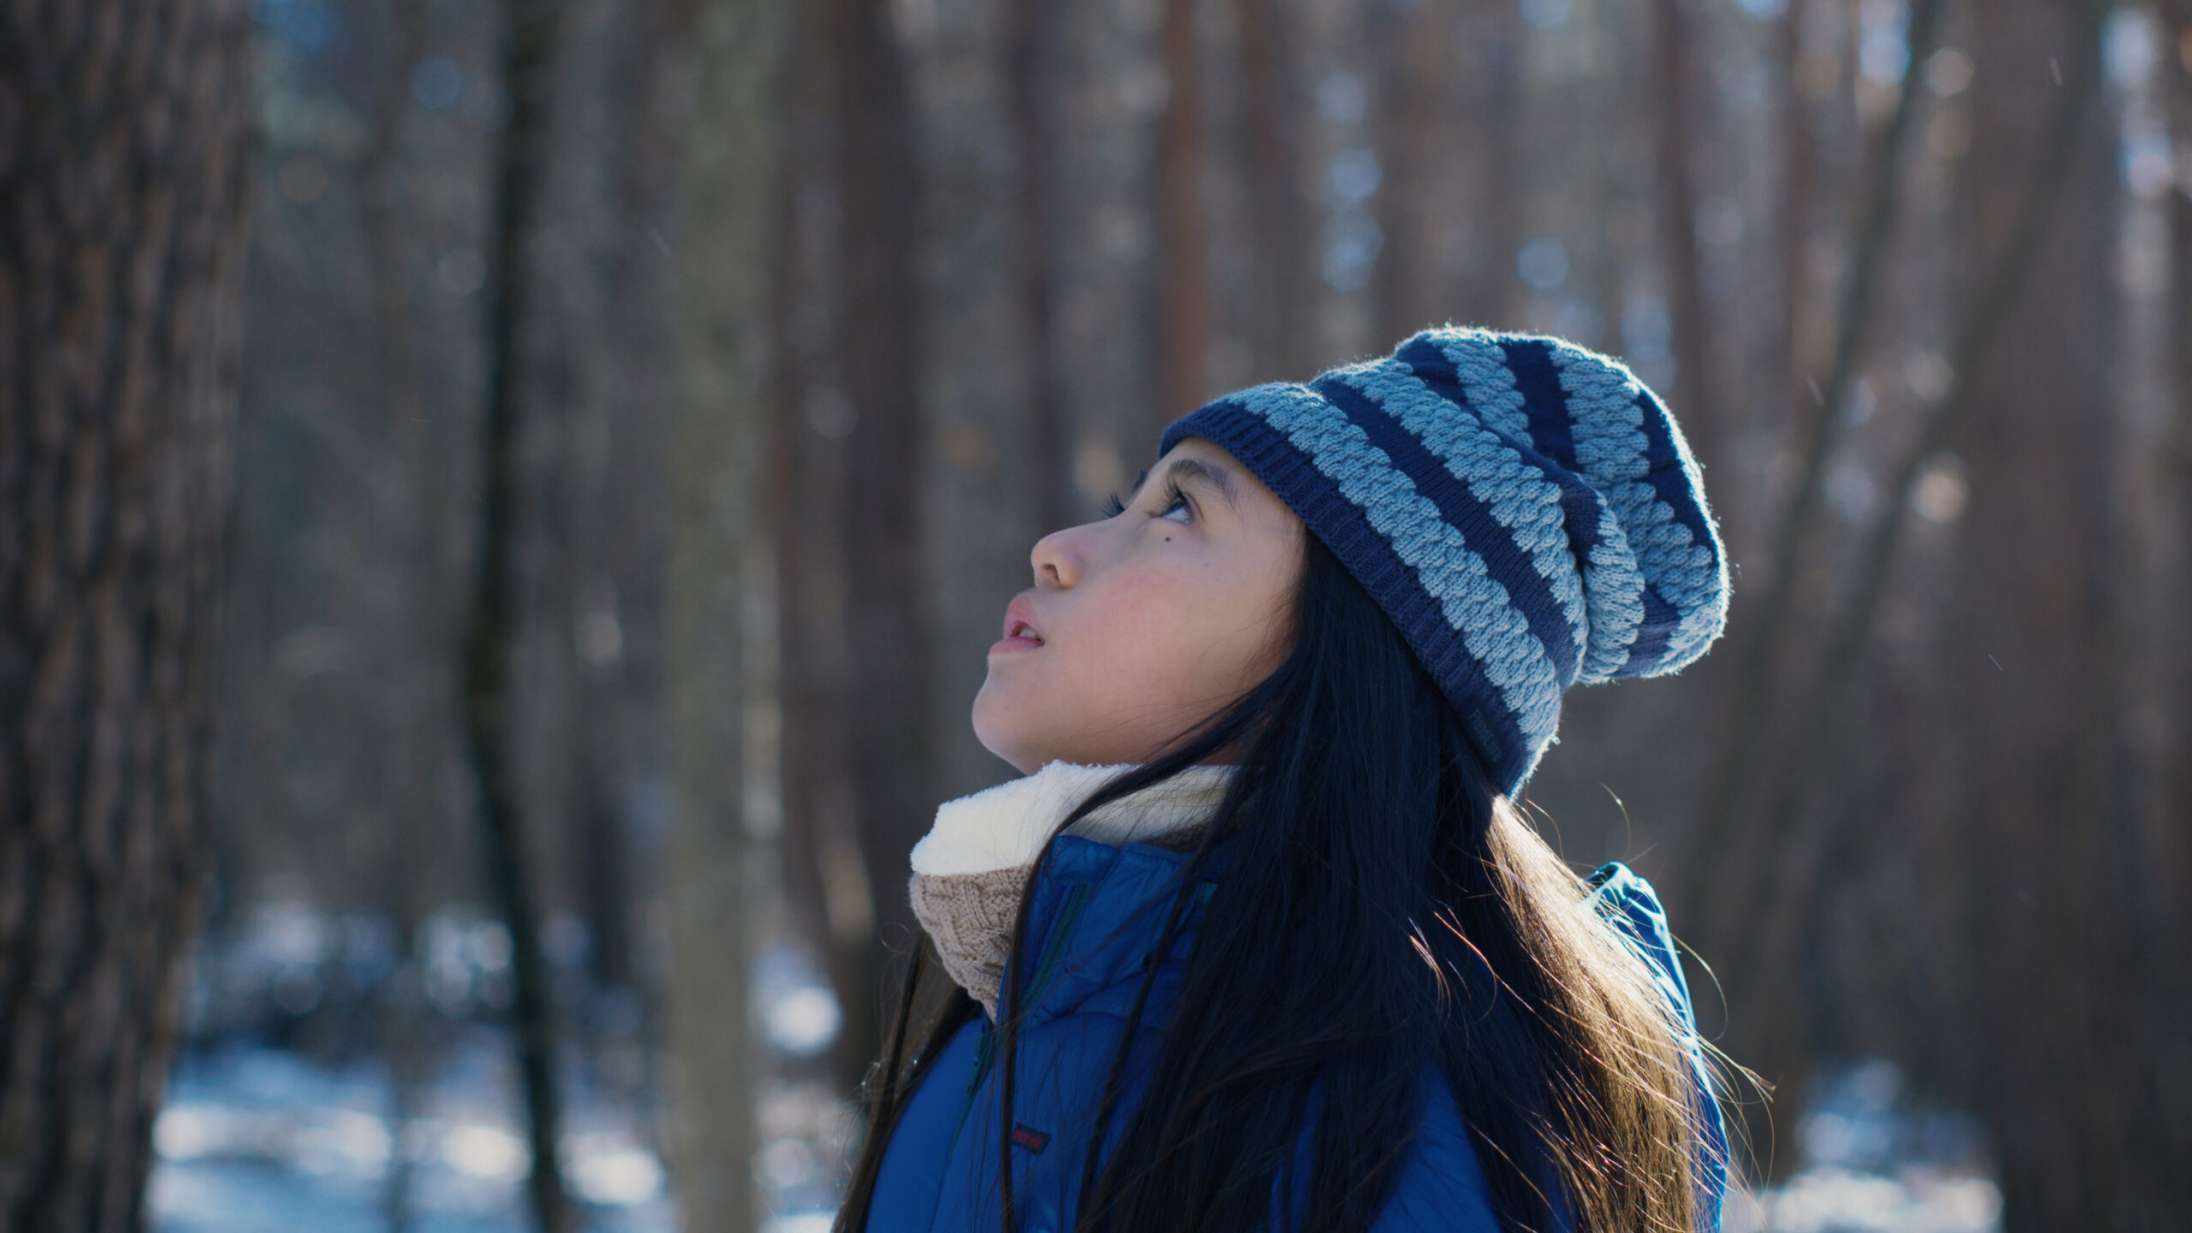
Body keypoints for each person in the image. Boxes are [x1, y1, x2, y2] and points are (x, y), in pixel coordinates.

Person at [832, 323, 1754, 1233]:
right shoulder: (1054, 981)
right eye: (1126, 503)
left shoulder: (1402, 1125)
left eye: (1179, 510)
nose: (1059, 547)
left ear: (1340, 656)